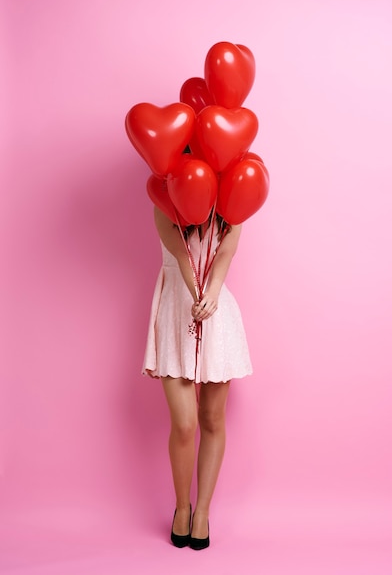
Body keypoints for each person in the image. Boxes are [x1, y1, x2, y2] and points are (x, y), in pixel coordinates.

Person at [142, 205, 252, 550]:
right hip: (178, 308)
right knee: (185, 423)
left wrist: (213, 292)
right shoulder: (165, 198)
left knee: (212, 418)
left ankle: (202, 512)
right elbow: (179, 253)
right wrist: (197, 293)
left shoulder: (233, 201)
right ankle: (182, 507)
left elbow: (226, 255)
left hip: (217, 312)